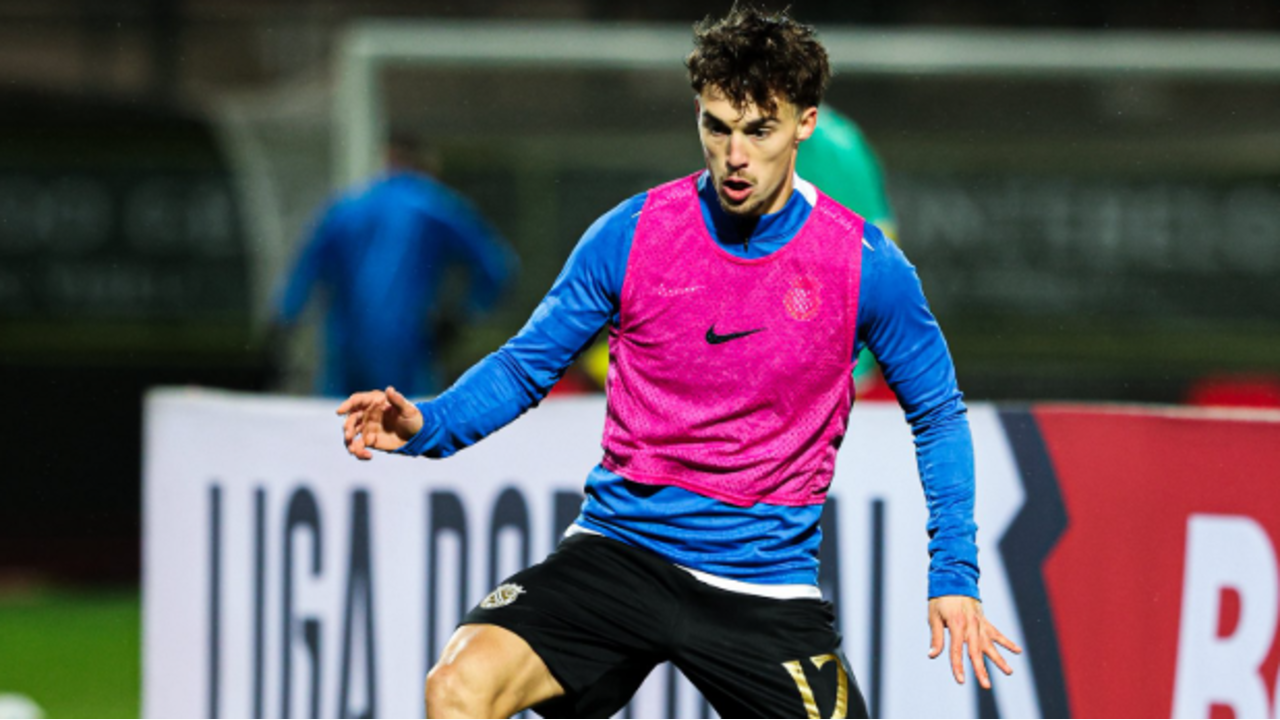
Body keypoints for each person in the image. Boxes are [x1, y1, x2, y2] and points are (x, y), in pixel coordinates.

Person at [338, 6, 1020, 718]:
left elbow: (939, 415)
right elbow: (523, 366)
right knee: (457, 687)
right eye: (717, 127)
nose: (735, 157)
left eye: (759, 131)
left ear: (805, 124)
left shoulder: (864, 265)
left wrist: (954, 573)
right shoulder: (630, 236)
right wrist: (429, 422)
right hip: (618, 553)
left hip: (761, 586)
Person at [272, 133, 515, 397]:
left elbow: (304, 272)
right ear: (427, 164)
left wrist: (282, 326)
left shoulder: (346, 208)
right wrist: (461, 317)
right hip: (407, 347)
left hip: (345, 350)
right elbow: (497, 266)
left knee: (341, 426)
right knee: (407, 425)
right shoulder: (433, 205)